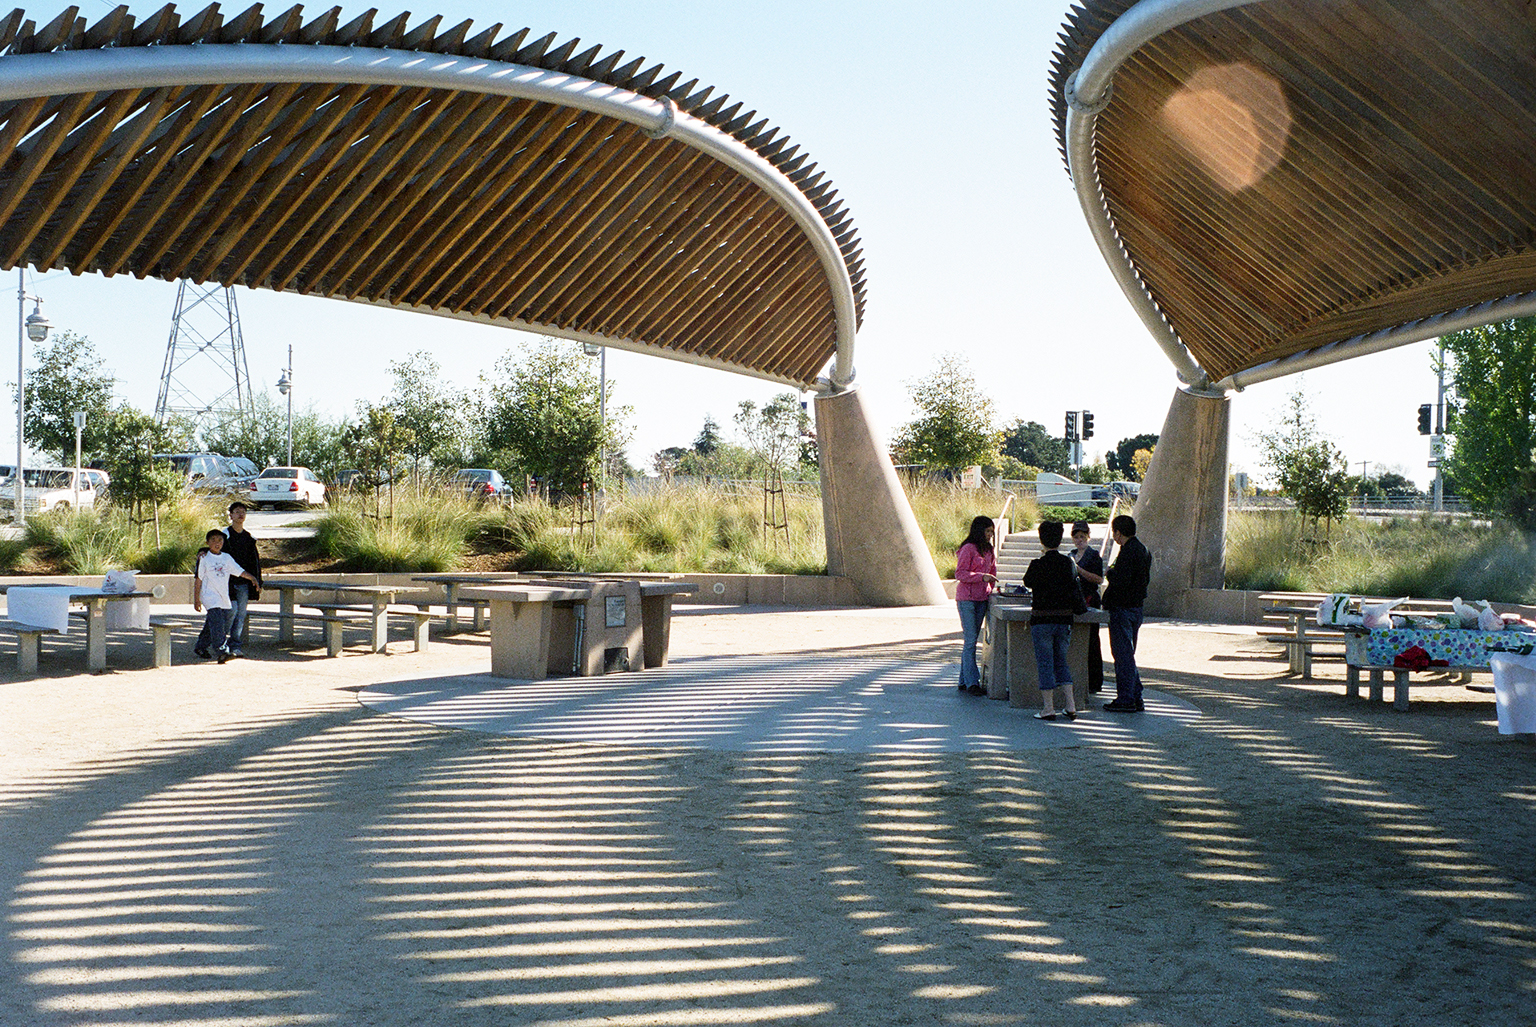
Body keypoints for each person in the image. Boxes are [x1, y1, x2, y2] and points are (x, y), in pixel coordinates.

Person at [1022, 520, 1078, 721]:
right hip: (1064, 619)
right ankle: (1071, 705)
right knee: (1062, 660)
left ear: (1041, 540)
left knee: (1045, 662)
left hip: (1042, 619)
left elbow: (1027, 582)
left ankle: (1048, 707)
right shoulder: (1068, 563)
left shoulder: (1037, 565)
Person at [193, 501, 263, 658]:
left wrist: (255, 579)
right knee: (228, 613)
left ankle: (230, 645)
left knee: (238, 614)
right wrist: (202, 551)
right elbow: (211, 550)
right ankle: (221, 647)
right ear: (230, 515)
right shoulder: (225, 535)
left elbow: (251, 563)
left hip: (242, 582)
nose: (240, 514)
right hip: (226, 585)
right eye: (237, 511)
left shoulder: (248, 538)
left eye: (243, 511)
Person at [1102, 514, 1152, 712]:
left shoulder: (1127, 552)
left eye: (1114, 532)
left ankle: (1126, 698)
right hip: (1136, 608)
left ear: (1118, 533)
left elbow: (1120, 580)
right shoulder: (1143, 550)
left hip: (1122, 608)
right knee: (1128, 654)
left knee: (1122, 655)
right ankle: (1135, 695)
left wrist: (1109, 573)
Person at [955, 515, 998, 697]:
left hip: (982, 598)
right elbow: (960, 573)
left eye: (991, 531)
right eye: (987, 531)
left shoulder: (988, 550)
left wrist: (990, 586)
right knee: (971, 639)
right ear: (979, 531)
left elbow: (993, 570)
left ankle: (964, 680)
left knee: (971, 640)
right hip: (967, 599)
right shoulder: (968, 548)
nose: (989, 535)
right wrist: (981, 577)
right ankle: (973, 682)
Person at [1070, 520, 1105, 693]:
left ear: (1088, 537)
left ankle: (1094, 680)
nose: (1079, 540)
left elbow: (1099, 579)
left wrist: (1080, 571)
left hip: (1090, 599)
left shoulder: (1093, 555)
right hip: (1075, 600)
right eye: (1076, 537)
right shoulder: (1071, 554)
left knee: (1092, 640)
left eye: (1082, 536)